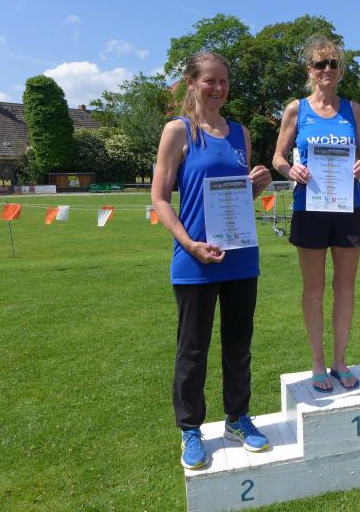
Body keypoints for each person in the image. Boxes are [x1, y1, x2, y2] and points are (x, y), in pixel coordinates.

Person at [151, 52, 273, 469]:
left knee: (239, 346)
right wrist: (190, 244)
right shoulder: (177, 131)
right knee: (192, 350)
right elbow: (159, 199)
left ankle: (238, 417)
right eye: (210, 81)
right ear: (191, 83)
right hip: (195, 261)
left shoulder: (240, 133)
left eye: (224, 81)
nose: (218, 88)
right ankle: (190, 429)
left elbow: (236, 198)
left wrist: (257, 186)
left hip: (241, 258)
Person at [272, 36, 360, 393]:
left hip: (346, 207)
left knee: (345, 288)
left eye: (333, 64)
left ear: (340, 71)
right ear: (310, 70)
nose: (326, 69)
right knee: (313, 289)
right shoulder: (296, 109)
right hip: (309, 207)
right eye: (319, 63)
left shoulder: (354, 110)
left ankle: (340, 361)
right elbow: (278, 158)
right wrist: (290, 170)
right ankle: (317, 362)